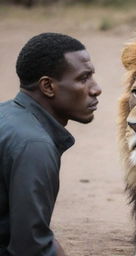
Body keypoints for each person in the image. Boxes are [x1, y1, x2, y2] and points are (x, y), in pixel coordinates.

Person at [0, 33, 102, 256]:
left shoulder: (6, 114)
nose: (96, 89)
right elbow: (31, 247)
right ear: (47, 86)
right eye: (83, 78)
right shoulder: (35, 145)